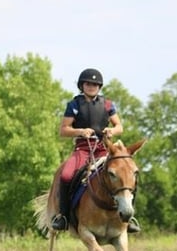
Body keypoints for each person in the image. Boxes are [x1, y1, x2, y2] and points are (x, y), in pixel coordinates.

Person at [51, 67, 141, 233]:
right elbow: (63, 130)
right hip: (83, 149)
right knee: (65, 176)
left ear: (99, 87)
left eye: (95, 84)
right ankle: (62, 217)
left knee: (127, 175)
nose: (91, 86)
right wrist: (80, 131)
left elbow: (119, 126)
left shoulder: (107, 105)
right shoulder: (74, 105)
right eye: (88, 83)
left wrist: (112, 131)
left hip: (104, 149)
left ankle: (129, 218)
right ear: (82, 85)